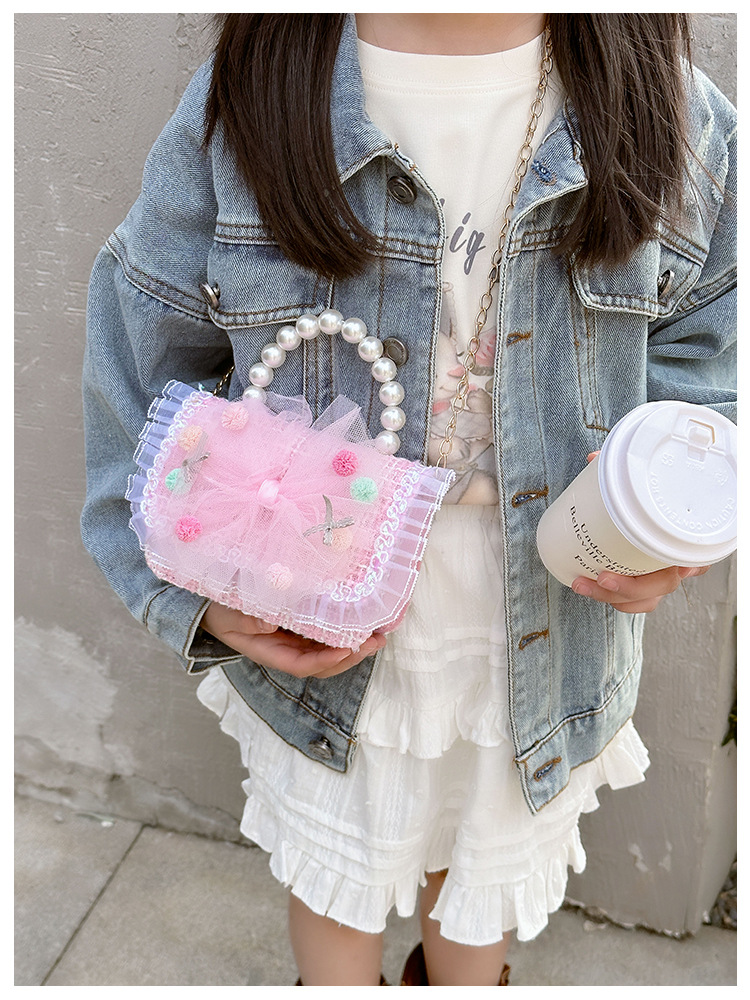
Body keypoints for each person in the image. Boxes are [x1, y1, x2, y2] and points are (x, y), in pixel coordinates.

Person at [81, 13, 736, 987]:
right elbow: (144, 356)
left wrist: (669, 525)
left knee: (479, 880)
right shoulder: (258, 94)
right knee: (336, 882)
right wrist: (192, 600)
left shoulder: (669, 108)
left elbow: (707, 356)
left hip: (546, 623)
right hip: (320, 620)